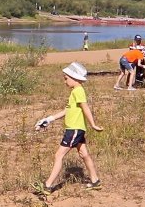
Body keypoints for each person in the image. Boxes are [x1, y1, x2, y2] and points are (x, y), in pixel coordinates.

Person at [34, 62, 103, 195]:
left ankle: (47, 186)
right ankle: (95, 181)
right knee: (84, 154)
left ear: (75, 78)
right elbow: (67, 110)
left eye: (66, 78)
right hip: (76, 129)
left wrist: (93, 124)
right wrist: (48, 119)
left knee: (58, 155)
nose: (64, 81)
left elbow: (85, 107)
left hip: (74, 129)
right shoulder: (74, 92)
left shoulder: (78, 91)